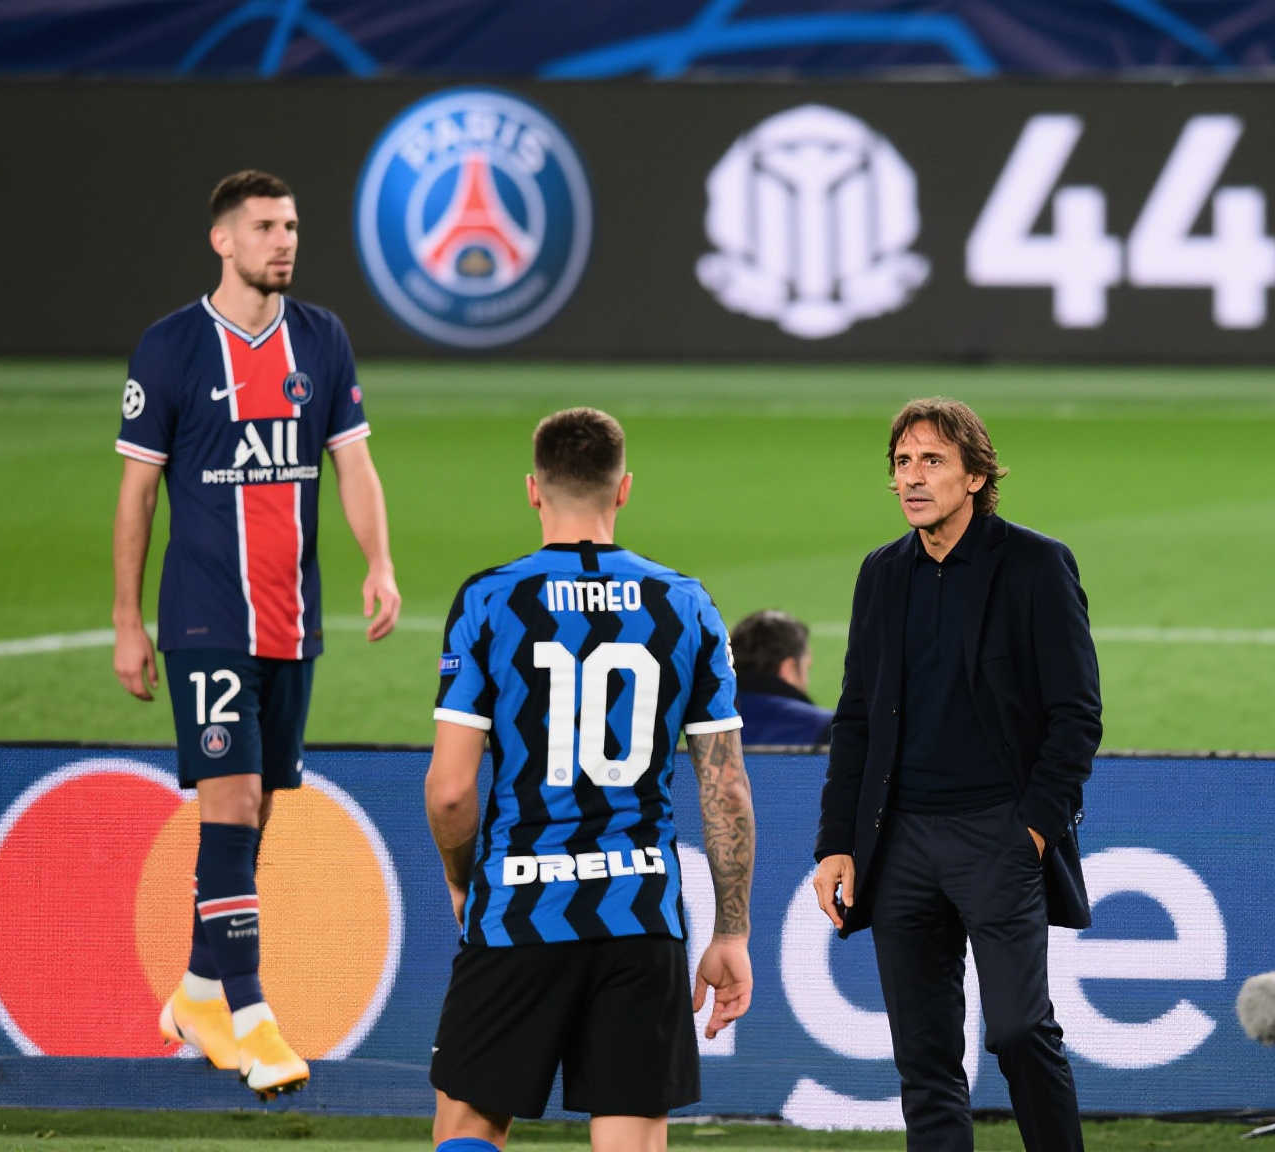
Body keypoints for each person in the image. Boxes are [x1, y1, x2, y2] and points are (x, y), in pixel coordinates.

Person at [113, 169, 401, 1100]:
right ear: (223, 240)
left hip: (291, 617)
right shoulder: (171, 347)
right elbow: (138, 494)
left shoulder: (321, 337)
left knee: (258, 810)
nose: (285, 240)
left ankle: (199, 992)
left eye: (292, 226)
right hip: (206, 617)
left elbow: (353, 463)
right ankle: (252, 1016)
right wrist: (127, 620)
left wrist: (379, 562)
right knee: (231, 807)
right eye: (267, 226)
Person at [425, 407, 756, 1152]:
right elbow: (727, 789)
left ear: (533, 490)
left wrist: (461, 879)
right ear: (624, 488)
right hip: (639, 912)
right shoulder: (685, 604)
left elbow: (449, 790)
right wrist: (731, 930)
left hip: (517, 906)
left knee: (470, 1125)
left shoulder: (490, 600)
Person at [811, 398, 1102, 1152]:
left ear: (975, 476)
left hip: (997, 835)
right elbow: (856, 717)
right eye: (902, 462)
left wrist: (1033, 829)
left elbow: (1076, 715)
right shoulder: (881, 573)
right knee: (925, 1059)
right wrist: (836, 842)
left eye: (932, 461)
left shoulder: (1036, 564)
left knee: (1019, 1031)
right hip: (900, 844)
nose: (912, 477)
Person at [730, 609, 833, 746]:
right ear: (789, 669)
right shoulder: (827, 729)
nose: (806, 681)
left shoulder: (707, 720)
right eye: (807, 668)